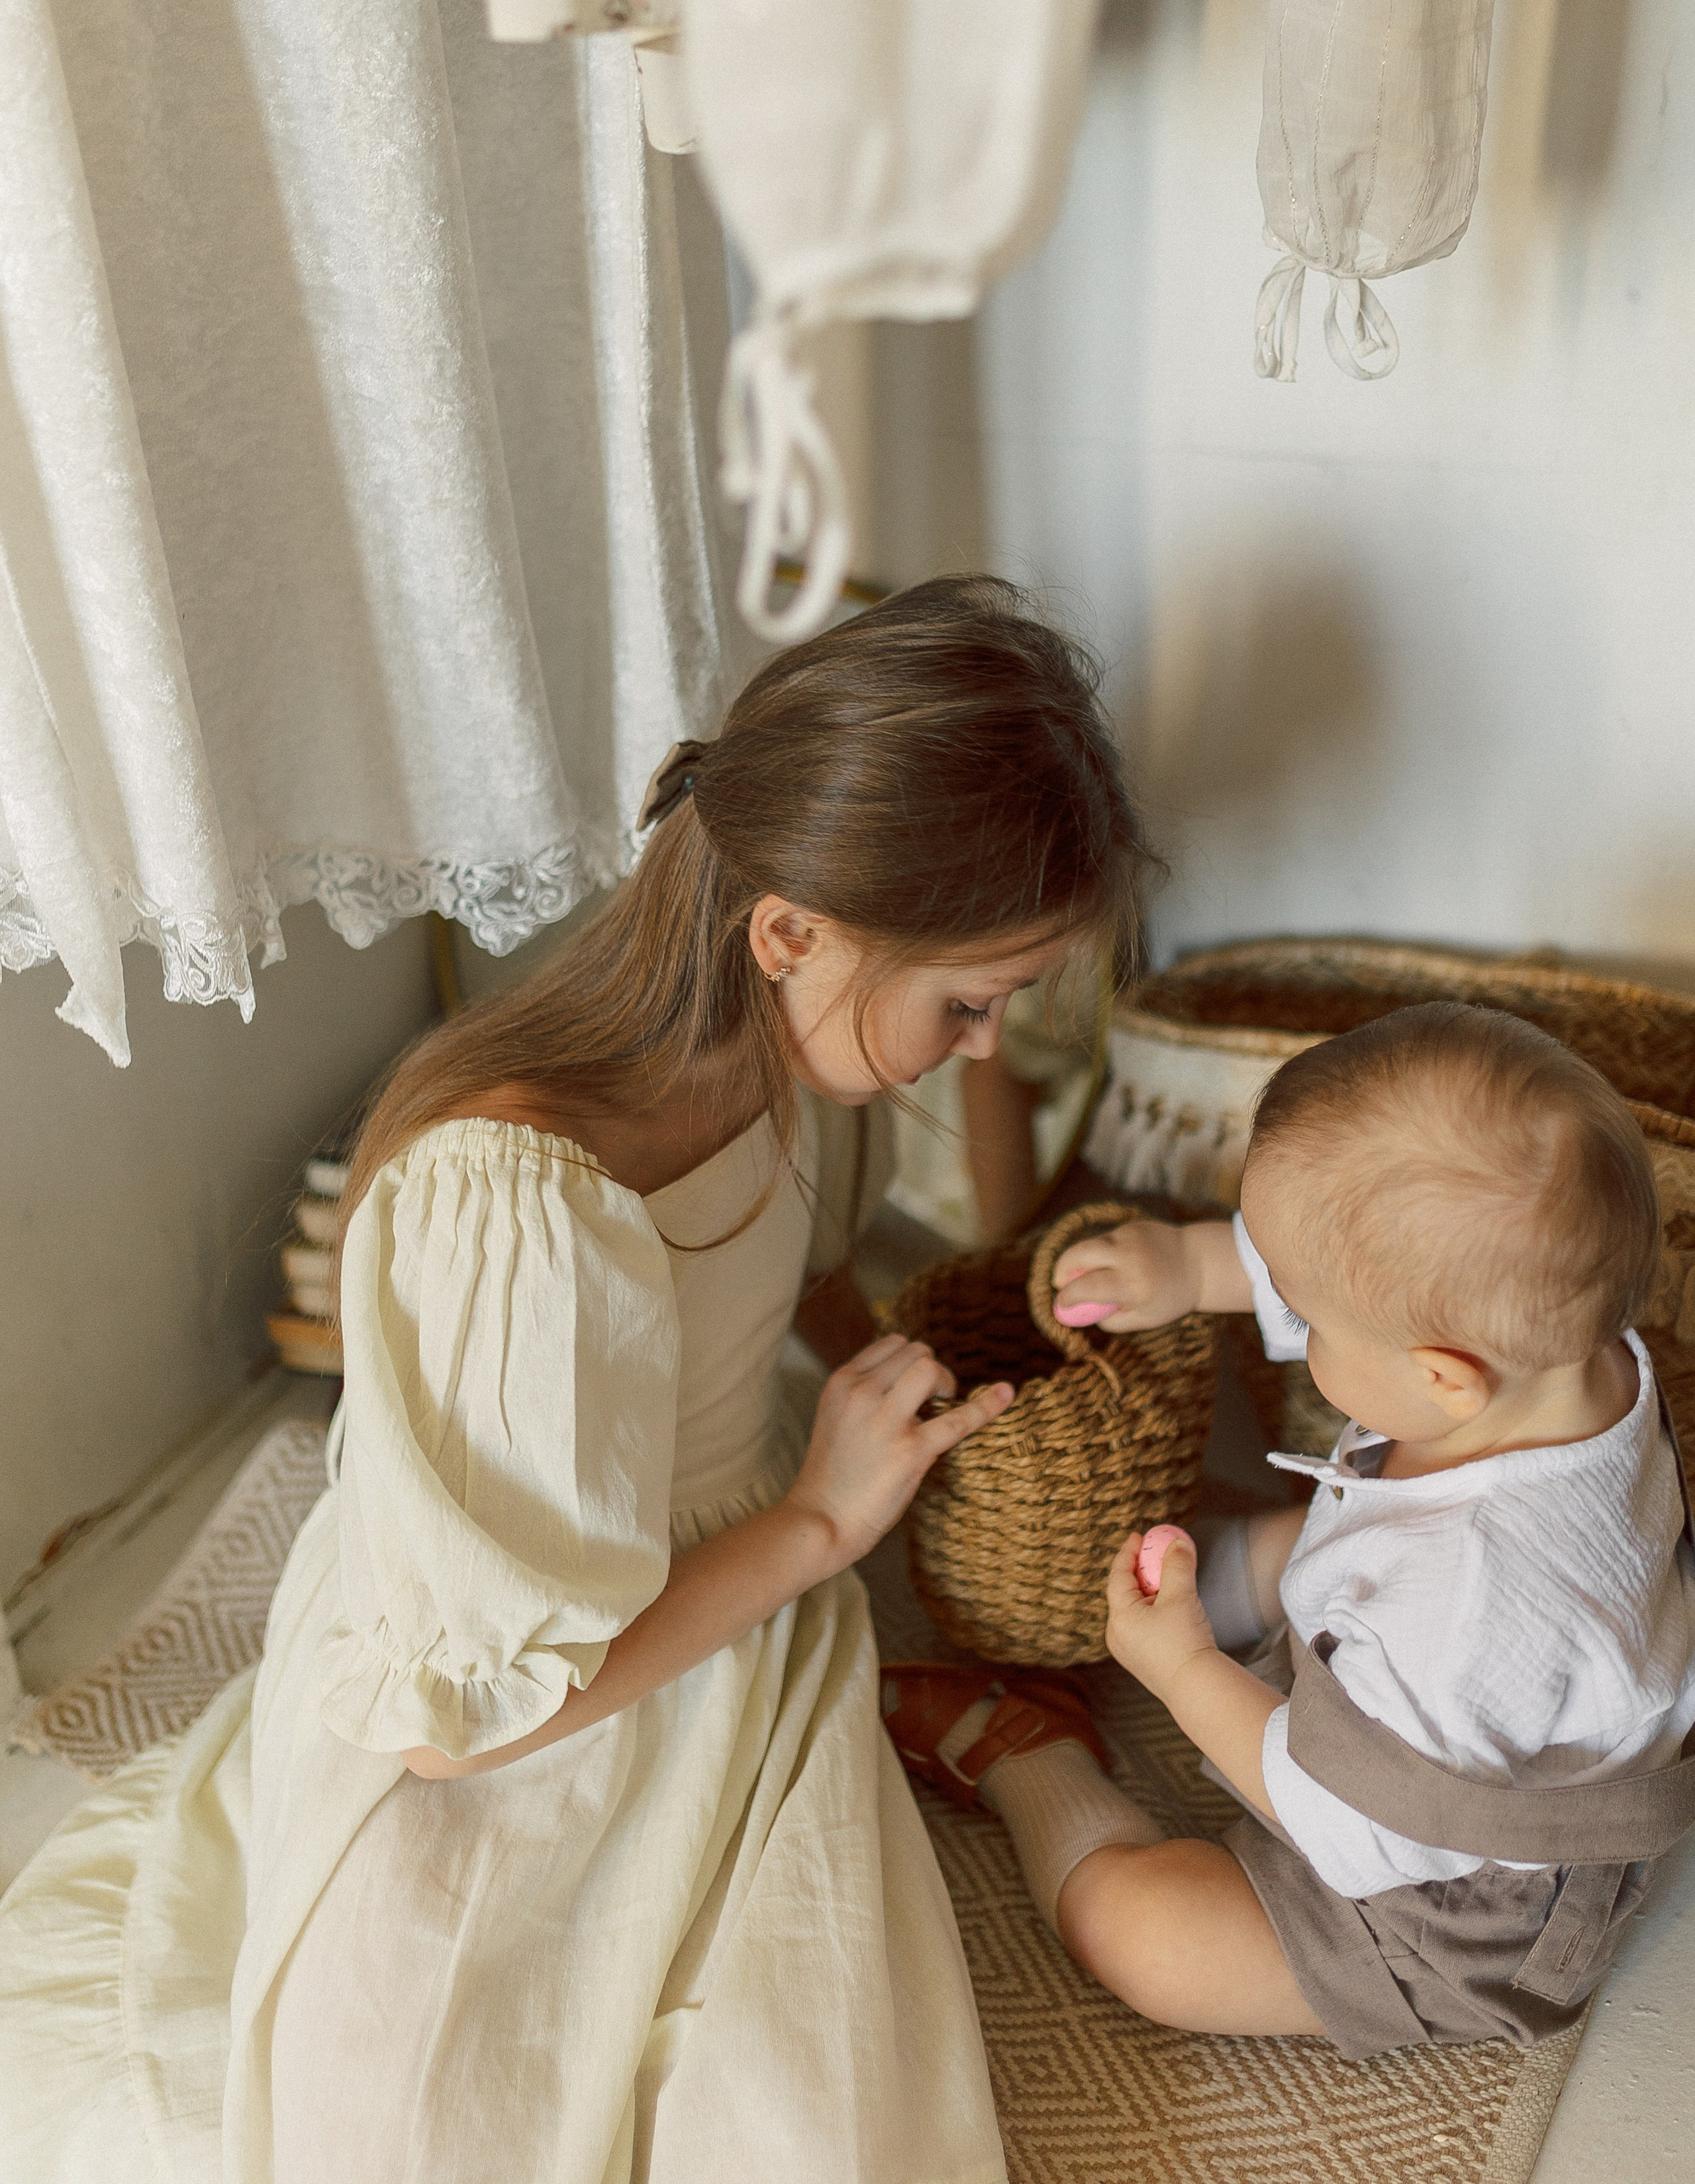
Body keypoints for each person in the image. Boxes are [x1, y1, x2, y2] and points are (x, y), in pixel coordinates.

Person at [0, 576, 1156, 2184]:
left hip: (722, 1606)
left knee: (805, 2115)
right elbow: (462, 1733)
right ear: (788, 933)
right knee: (426, 2121)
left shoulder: (803, 1067)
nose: (980, 1043)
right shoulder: (516, 1204)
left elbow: (797, 1262)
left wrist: (920, 1376)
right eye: (968, 1003)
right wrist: (823, 1524)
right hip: (520, 1671)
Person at [883, 1003, 1695, 2058]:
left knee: (1141, 1934)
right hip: (1438, 1684)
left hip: (1436, 1893)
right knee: (1278, 1548)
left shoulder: (1467, 1598)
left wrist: (1181, 1672)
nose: (1288, 1318)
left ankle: (1033, 1757)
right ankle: (1140, 1605)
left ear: (1445, 1376)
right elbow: (1355, 1260)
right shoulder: (1570, 1341)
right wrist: (1189, 1265)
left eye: (1304, 1319)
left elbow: (1354, 1830)